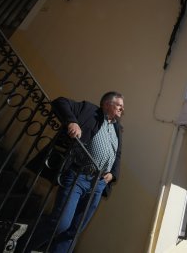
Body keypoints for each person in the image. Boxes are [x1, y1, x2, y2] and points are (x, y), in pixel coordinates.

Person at [29, 91, 124, 253]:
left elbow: (117, 154)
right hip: (78, 177)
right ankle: (24, 244)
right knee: (61, 224)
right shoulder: (89, 110)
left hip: (99, 184)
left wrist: (113, 174)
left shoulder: (117, 128)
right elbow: (60, 101)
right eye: (119, 106)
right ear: (107, 104)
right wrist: (72, 121)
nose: (122, 109)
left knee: (75, 230)